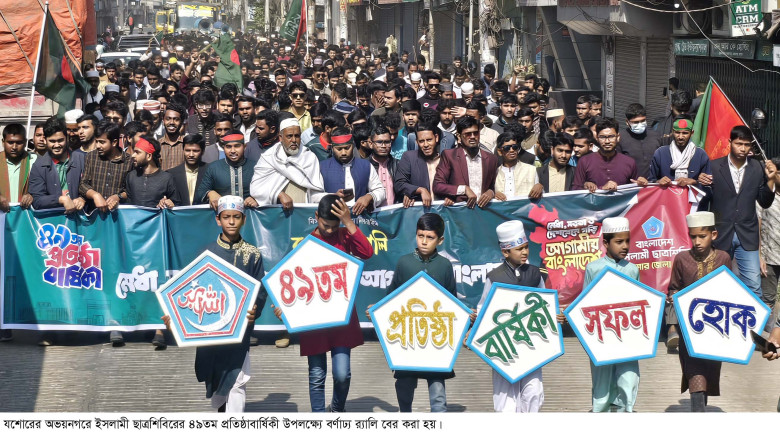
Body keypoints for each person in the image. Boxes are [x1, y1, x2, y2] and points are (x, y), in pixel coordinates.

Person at [163, 195, 267, 412]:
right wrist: (176, 317)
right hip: (211, 329)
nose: (231, 222)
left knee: (237, 379)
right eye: (226, 217)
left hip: (239, 331)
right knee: (217, 380)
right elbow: (191, 291)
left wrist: (254, 310)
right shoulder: (206, 253)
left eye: (236, 217)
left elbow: (260, 290)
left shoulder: (253, 254)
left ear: (243, 220)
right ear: (218, 220)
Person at [272, 195, 374, 412]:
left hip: (341, 319)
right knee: (317, 376)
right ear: (316, 216)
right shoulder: (305, 245)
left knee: (342, 374)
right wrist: (285, 308)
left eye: (333, 226)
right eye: (325, 225)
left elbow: (367, 252)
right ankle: (319, 420)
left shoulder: (345, 235)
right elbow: (290, 283)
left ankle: (337, 411)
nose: (329, 230)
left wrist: (348, 222)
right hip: (314, 322)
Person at [383, 213, 457, 412]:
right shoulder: (404, 263)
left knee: (438, 396)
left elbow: (453, 303)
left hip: (436, 341)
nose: (424, 242)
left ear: (440, 240)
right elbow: (391, 299)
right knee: (405, 391)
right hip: (408, 340)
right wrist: (375, 309)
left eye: (430, 237)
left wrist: (466, 318)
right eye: (420, 236)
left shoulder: (445, 266)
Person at [699, 125, 776, 300]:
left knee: (754, 287)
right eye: (739, 143)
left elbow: (764, 201)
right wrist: (699, 182)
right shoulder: (713, 166)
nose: (742, 148)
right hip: (720, 234)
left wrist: (770, 180)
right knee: (716, 284)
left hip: (747, 235)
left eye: (747, 145)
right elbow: (703, 200)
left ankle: (752, 327)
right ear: (730, 143)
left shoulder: (757, 168)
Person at [476, 221, 546, 412]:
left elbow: (545, 304)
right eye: (519, 249)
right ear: (506, 252)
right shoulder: (494, 277)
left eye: (526, 247)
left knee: (533, 391)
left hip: (531, 343)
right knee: (505, 398)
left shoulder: (535, 274)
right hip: (503, 346)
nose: (524, 252)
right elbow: (483, 308)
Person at [666, 211, 733, 412]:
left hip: (714, 328)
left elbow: (730, 291)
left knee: (709, 372)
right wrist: (674, 295)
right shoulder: (681, 259)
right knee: (695, 374)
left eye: (701, 236)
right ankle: (672, 330)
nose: (696, 241)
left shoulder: (723, 258)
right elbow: (673, 286)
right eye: (693, 236)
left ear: (714, 235)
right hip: (688, 327)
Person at [583, 216, 640, 412]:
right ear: (605, 243)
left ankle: (627, 411)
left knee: (629, 378)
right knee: (602, 385)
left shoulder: (633, 270)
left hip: (627, 333)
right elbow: (585, 306)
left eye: (627, 241)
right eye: (619, 241)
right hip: (602, 336)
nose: (625, 246)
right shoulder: (593, 268)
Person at [250, 118, 326, 209]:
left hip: (303, 215)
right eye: (289, 136)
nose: (294, 140)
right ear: (281, 138)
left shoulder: (309, 158)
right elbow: (256, 188)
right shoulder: (268, 158)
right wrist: (278, 194)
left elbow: (315, 192)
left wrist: (332, 197)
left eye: (297, 136)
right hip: (276, 216)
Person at [433, 116, 498, 208]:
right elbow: (437, 186)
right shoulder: (450, 156)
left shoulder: (491, 159)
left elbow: (494, 185)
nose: (472, 137)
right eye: (468, 134)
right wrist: (464, 189)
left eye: (475, 133)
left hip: (484, 211)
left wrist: (491, 192)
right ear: (459, 136)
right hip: (460, 212)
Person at [319, 127, 386, 215]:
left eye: (347, 148)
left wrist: (369, 197)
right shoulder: (321, 167)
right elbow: (312, 196)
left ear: (353, 145)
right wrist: (333, 197)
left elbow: (380, 191)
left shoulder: (366, 165)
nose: (343, 153)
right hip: (332, 221)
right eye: (339, 149)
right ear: (332, 148)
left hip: (360, 221)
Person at [29, 117, 86, 212]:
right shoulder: (38, 166)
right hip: (55, 221)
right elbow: (37, 199)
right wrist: (60, 199)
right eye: (52, 141)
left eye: (60, 140)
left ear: (67, 138)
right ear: (45, 140)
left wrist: (83, 198)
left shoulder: (82, 159)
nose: (56, 145)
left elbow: (92, 186)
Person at [572, 118, 646, 192]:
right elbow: (575, 192)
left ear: (618, 137)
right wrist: (589, 187)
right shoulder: (585, 161)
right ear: (597, 138)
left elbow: (635, 193)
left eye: (611, 137)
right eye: (602, 137)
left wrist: (641, 183)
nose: (607, 141)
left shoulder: (629, 163)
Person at [195, 132, 259, 211]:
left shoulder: (256, 167)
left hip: (250, 216)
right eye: (228, 147)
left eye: (237, 146)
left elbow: (266, 190)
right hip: (223, 218)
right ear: (223, 148)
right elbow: (199, 194)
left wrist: (257, 199)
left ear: (245, 147)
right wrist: (210, 193)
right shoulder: (214, 167)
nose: (232, 151)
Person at [78, 120, 132, 213]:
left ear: (114, 142)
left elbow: (131, 190)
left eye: (102, 142)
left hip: (118, 215)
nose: (98, 146)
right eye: (96, 141)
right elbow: (83, 185)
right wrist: (95, 195)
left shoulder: (128, 161)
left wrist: (118, 197)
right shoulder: (91, 157)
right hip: (94, 214)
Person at [126, 135, 181, 209]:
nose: (133, 155)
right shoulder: (131, 176)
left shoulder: (167, 178)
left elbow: (176, 204)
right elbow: (127, 205)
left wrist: (168, 203)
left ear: (149, 156)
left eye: (137, 152)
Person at [395, 122, 441, 208]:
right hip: (419, 211)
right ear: (416, 142)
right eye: (421, 141)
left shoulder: (445, 159)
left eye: (429, 140)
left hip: (444, 211)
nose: (426, 145)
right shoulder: (409, 157)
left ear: (436, 138)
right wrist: (419, 190)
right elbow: (399, 184)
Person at [617, 104, 662, 178]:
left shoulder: (656, 136)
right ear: (627, 122)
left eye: (642, 121)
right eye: (635, 122)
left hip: (654, 184)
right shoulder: (620, 138)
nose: (640, 124)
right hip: (632, 186)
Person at [494, 132, 541, 200]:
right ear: (499, 151)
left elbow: (540, 194)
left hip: (527, 209)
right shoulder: (495, 173)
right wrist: (494, 194)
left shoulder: (531, 170)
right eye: (507, 148)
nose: (512, 150)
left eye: (515, 147)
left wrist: (539, 186)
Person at [1, 123, 36, 210]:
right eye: (10, 142)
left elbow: (43, 187)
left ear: (25, 142)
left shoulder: (34, 160)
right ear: (3, 142)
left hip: (25, 216)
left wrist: (32, 195)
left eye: (19, 143)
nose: (14, 147)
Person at [169, 134, 207, 206]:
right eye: (188, 150)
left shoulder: (210, 171)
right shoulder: (171, 174)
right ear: (183, 150)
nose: (191, 154)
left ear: (202, 151)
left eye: (195, 151)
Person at [368, 125, 398, 206]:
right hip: (372, 215)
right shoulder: (365, 167)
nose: (384, 146)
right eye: (379, 142)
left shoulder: (398, 164)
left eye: (387, 142)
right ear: (371, 144)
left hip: (396, 213)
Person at [159, 103, 187, 171]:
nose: (172, 122)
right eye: (168, 119)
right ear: (163, 120)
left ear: (181, 122)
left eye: (176, 119)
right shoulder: (157, 145)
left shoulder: (187, 144)